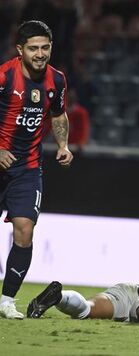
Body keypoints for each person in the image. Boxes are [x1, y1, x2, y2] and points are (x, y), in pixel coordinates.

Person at [0, 20, 73, 319]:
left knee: (25, 229)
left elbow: (58, 114)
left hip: (27, 168)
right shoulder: (4, 76)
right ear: (20, 50)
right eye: (33, 48)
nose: (40, 54)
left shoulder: (57, 80)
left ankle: (6, 301)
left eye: (45, 47)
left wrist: (64, 145)